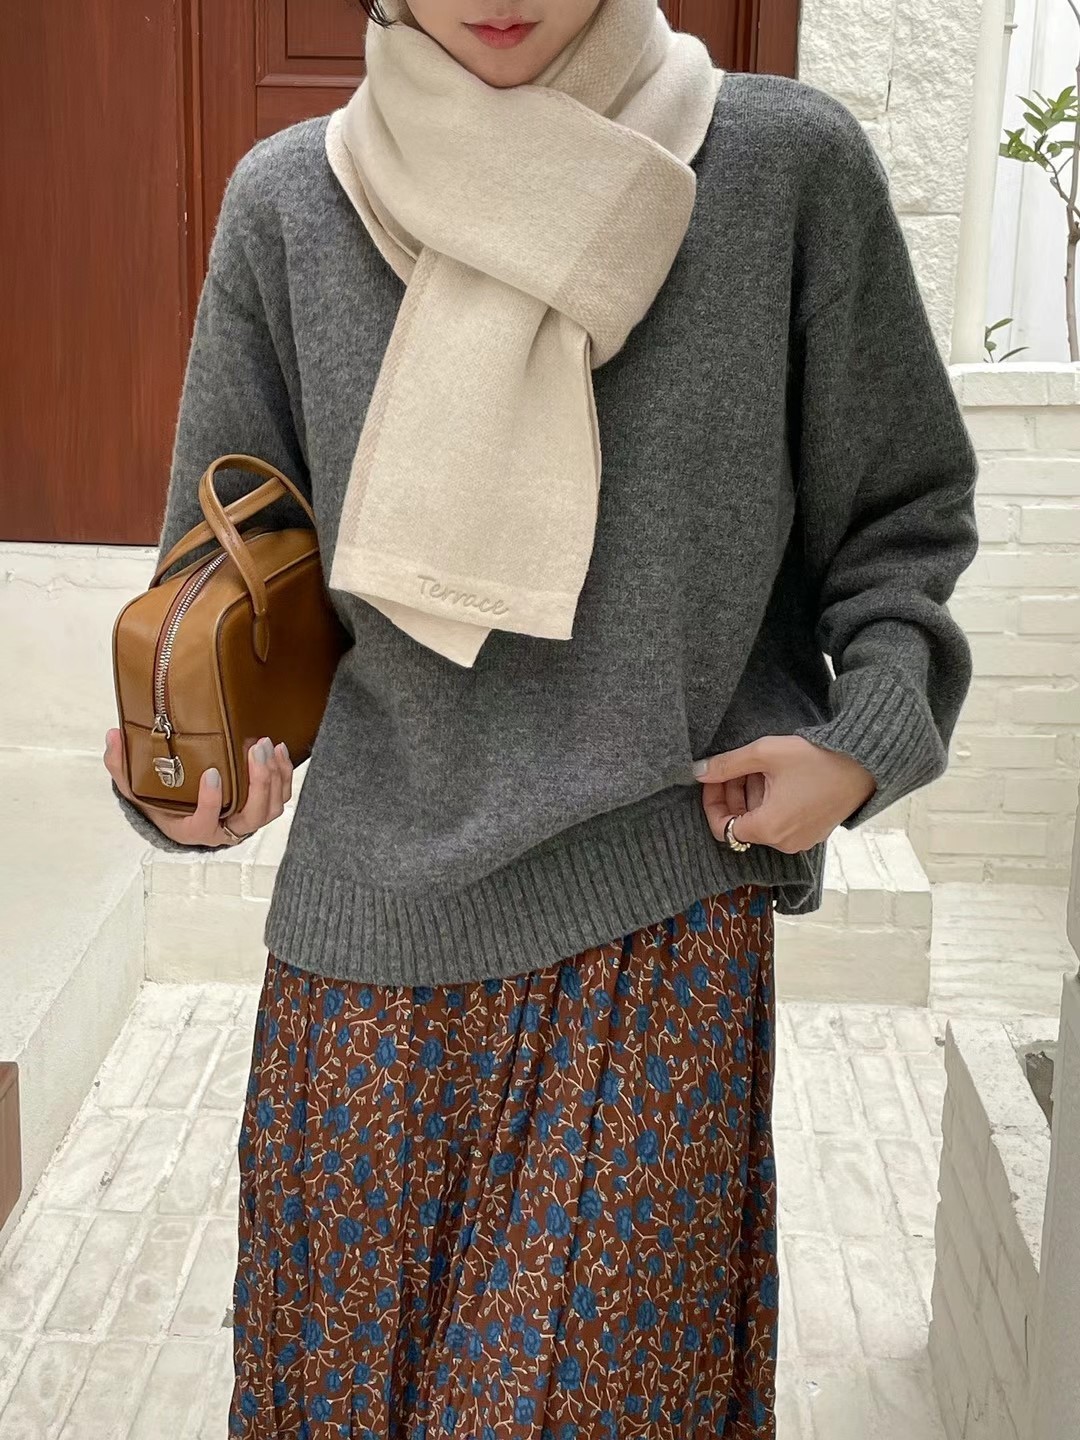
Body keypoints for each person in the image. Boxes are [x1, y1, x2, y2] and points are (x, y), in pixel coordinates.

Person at [103, 0, 980, 1434]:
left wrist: (864, 737)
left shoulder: (780, 173)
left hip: (653, 947)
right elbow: (220, 575)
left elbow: (903, 522)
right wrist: (185, 774)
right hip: (360, 975)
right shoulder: (292, 204)